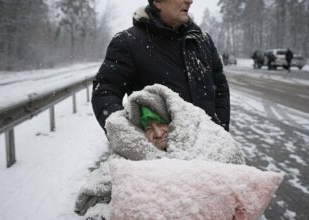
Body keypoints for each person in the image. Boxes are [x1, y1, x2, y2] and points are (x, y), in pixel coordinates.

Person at [75, 84, 245, 219]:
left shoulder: (206, 141)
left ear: (172, 120)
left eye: (160, 122)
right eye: (148, 128)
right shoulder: (130, 158)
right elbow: (95, 195)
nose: (157, 133)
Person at [92, 0, 231, 133]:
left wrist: (220, 130)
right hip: (162, 155)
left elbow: (220, 91)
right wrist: (134, 139)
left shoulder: (202, 41)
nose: (190, 1)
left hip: (208, 150)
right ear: (158, 2)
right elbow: (105, 92)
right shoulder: (128, 42)